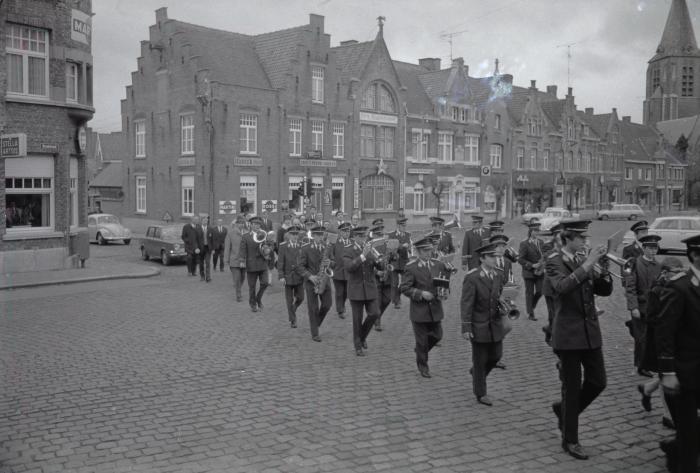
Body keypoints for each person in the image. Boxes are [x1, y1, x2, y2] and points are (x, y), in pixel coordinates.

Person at [546, 219, 613, 460]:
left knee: (598, 382)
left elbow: (603, 291)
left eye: (585, 238)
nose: (585, 242)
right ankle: (570, 440)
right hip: (568, 334)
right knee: (572, 388)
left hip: (590, 331)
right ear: (567, 238)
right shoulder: (554, 262)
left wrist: (603, 272)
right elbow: (562, 287)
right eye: (581, 238)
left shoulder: (582, 260)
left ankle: (564, 411)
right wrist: (588, 264)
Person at [655, 235, 700, 473]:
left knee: (691, 431)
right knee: (690, 436)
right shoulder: (679, 286)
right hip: (685, 371)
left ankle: (675, 448)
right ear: (695, 255)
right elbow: (665, 332)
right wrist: (668, 372)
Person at [637, 256, 683, 426]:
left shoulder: (678, 287)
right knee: (667, 373)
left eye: (681, 272)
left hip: (674, 339)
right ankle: (667, 415)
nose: (678, 276)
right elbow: (651, 318)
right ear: (664, 273)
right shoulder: (657, 290)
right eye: (675, 273)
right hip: (659, 339)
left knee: (672, 372)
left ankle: (647, 388)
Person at [461, 242, 506, 406]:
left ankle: (476, 375)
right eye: (491, 257)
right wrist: (466, 327)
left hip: (495, 323)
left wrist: (506, 302)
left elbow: (500, 295)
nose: (495, 259)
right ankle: (481, 393)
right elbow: (466, 304)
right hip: (478, 324)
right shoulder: (472, 277)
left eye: (495, 256)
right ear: (482, 259)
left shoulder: (498, 275)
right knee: (480, 361)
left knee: (496, 355)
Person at [400, 237, 449, 378]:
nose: (429, 253)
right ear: (418, 251)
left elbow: (443, 282)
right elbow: (404, 288)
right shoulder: (411, 267)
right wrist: (421, 293)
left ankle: (421, 350)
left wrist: (444, 292)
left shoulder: (437, 264)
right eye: (425, 251)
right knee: (421, 341)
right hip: (419, 311)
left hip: (435, 309)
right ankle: (423, 366)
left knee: (438, 335)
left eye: (430, 250)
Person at [625, 234, 662, 378]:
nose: (653, 252)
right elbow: (630, 288)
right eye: (650, 249)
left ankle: (650, 364)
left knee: (652, 337)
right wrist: (633, 307)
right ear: (644, 248)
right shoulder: (635, 264)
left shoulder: (658, 266)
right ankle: (640, 366)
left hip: (654, 309)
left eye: (655, 249)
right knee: (641, 338)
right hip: (640, 307)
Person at [344, 226, 380, 356]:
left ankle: (362, 336)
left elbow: (378, 264)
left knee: (375, 313)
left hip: (370, 287)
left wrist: (385, 258)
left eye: (365, 236)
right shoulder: (348, 250)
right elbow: (349, 267)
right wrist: (363, 255)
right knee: (357, 319)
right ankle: (357, 345)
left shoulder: (370, 249)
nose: (364, 239)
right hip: (356, 289)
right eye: (361, 237)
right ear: (355, 237)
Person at [297, 226, 333, 341]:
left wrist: (330, 262)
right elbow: (300, 266)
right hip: (311, 281)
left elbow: (334, 262)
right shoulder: (306, 248)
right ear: (313, 236)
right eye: (318, 235)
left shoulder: (327, 247)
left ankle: (316, 323)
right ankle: (315, 333)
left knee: (327, 304)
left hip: (324, 280)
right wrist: (310, 276)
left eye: (322, 235)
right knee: (313, 308)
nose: (320, 237)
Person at [240, 216, 270, 312]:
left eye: (258, 224)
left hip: (262, 263)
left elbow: (270, 246)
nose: (257, 226)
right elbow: (242, 249)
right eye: (255, 224)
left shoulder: (264, 235)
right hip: (251, 264)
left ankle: (258, 298)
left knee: (265, 283)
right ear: (251, 225)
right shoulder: (245, 236)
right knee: (252, 286)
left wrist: (268, 249)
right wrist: (241, 261)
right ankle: (252, 303)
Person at [540, 224, 562, 345]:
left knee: (560, 313)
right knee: (553, 313)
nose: (561, 237)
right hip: (549, 286)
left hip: (561, 285)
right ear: (554, 235)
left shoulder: (565, 245)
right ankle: (552, 335)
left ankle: (550, 330)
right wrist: (559, 248)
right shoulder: (547, 246)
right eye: (559, 234)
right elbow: (547, 258)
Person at [278, 226, 304, 328]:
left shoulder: (301, 245)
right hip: (288, 276)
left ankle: (293, 309)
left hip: (299, 276)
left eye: (296, 234)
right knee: (289, 300)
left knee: (301, 298)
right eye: (293, 234)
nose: (295, 236)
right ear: (288, 235)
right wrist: (281, 276)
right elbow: (280, 262)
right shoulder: (283, 246)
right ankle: (293, 320)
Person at [518, 222, 545, 321]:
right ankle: (531, 313)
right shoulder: (524, 243)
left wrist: (543, 263)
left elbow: (544, 255)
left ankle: (531, 306)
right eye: (535, 231)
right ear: (530, 232)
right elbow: (520, 259)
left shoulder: (541, 242)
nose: (537, 233)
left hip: (540, 272)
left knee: (540, 291)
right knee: (529, 293)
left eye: (538, 230)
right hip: (528, 272)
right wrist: (532, 265)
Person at [370, 225, 393, 332]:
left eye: (381, 234)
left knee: (387, 300)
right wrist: (376, 272)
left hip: (387, 276)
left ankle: (377, 316)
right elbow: (366, 265)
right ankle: (377, 322)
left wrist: (394, 255)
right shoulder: (369, 246)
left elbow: (391, 258)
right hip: (375, 278)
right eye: (378, 234)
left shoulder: (386, 245)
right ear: (373, 235)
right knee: (378, 301)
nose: (380, 236)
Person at [388, 217, 412, 310]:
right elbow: (391, 247)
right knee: (394, 283)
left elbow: (410, 248)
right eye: (402, 225)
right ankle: (397, 302)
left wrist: (410, 248)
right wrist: (402, 246)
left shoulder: (408, 235)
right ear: (398, 225)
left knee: (405, 282)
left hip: (404, 262)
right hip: (394, 262)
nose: (404, 227)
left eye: (405, 225)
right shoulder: (391, 234)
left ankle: (396, 296)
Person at [330, 222, 352, 319]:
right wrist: (332, 263)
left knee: (346, 292)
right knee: (339, 292)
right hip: (337, 271)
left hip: (349, 272)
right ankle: (340, 310)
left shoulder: (352, 242)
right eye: (344, 231)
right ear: (340, 232)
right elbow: (330, 255)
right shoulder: (335, 242)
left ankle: (342, 305)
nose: (347, 233)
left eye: (348, 231)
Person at [223, 216, 247, 302]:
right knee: (237, 279)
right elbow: (227, 248)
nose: (241, 225)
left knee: (243, 277)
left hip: (244, 260)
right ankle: (238, 295)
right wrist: (226, 260)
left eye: (242, 223)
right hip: (234, 260)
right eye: (239, 223)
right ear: (236, 224)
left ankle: (238, 288)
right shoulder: (231, 233)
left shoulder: (247, 233)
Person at [200, 216, 214, 282]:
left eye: (207, 221)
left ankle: (208, 277)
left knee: (208, 262)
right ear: (201, 221)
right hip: (200, 248)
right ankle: (202, 276)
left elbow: (213, 240)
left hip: (208, 248)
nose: (206, 222)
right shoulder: (198, 229)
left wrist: (213, 249)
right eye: (204, 220)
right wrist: (196, 248)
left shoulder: (210, 229)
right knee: (201, 263)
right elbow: (195, 239)